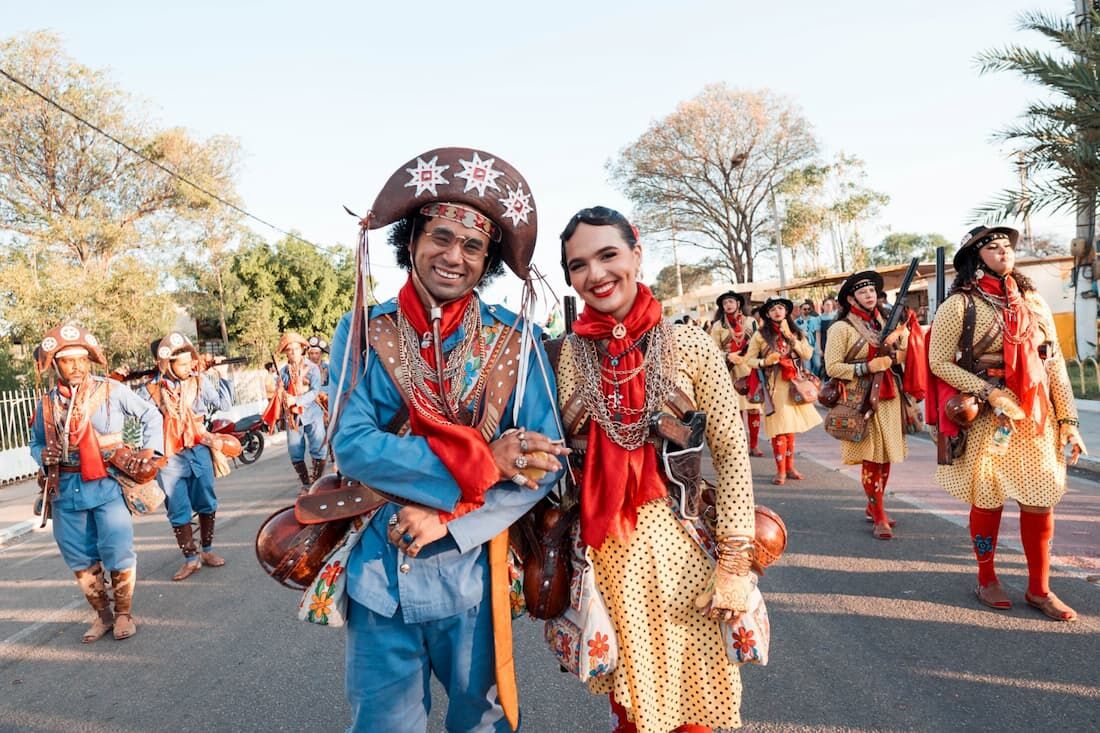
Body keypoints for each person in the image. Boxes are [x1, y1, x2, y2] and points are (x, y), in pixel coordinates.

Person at [327, 147, 566, 732]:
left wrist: (449, 520)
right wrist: (484, 459)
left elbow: (544, 461)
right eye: (440, 236)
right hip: (379, 575)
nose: (453, 256)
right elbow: (351, 444)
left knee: (482, 725)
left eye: (473, 246)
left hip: (475, 576)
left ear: (486, 262)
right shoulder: (364, 330)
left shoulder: (517, 341)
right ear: (411, 240)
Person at [557, 206, 756, 733]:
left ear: (637, 255)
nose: (596, 274)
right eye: (579, 265)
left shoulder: (689, 343)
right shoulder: (567, 356)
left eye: (608, 255)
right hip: (605, 562)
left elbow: (732, 452)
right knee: (631, 709)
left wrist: (735, 563)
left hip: (685, 553)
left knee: (700, 702)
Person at [927, 225, 1085, 621]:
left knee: (1042, 499)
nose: (1004, 253)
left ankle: (1039, 588)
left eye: (1007, 247)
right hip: (988, 418)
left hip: (1036, 416)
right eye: (994, 248)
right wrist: (989, 393)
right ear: (975, 258)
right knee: (988, 500)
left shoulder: (1033, 301)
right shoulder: (959, 305)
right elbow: (938, 362)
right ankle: (987, 577)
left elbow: (1053, 362)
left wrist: (1068, 419)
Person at [29, 324, 163, 641]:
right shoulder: (46, 404)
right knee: (78, 557)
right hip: (65, 491)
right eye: (67, 360)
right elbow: (33, 443)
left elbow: (151, 416)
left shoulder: (110, 391)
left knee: (117, 550)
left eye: (81, 359)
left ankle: (123, 615)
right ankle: (102, 617)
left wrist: (149, 449)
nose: (76, 366)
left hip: (107, 485)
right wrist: (41, 454)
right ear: (55, 365)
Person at [824, 271, 925, 539]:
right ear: (851, 298)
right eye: (862, 292)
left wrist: (905, 342)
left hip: (890, 396)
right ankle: (878, 512)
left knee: (886, 455)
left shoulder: (886, 323)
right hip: (860, 399)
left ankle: (875, 505)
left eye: (872, 291)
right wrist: (865, 367)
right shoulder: (841, 328)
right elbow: (832, 367)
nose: (869, 296)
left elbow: (901, 355)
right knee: (871, 458)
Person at [139, 332, 233, 581]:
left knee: (207, 501)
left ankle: (208, 551)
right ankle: (191, 558)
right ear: (166, 364)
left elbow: (225, 404)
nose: (188, 367)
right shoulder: (149, 390)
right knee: (177, 508)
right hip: (168, 457)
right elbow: (132, 417)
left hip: (198, 448)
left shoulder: (200, 382)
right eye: (181, 363)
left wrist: (221, 376)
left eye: (189, 361)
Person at [744, 296, 822, 484]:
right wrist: (765, 362)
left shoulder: (796, 331)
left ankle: (790, 467)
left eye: (780, 308)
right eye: (772, 309)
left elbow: (808, 354)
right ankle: (780, 470)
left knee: (790, 429)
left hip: (796, 383)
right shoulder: (760, 335)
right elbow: (749, 360)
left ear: (786, 311)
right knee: (780, 429)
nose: (777, 311)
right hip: (774, 385)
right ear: (768, 314)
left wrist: (791, 338)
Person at [709, 290, 764, 456]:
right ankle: (740, 445)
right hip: (729, 371)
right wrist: (727, 356)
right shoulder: (718, 326)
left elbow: (760, 343)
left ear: (738, 303)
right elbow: (712, 349)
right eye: (725, 303)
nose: (728, 305)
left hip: (749, 369)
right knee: (736, 411)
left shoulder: (751, 322)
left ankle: (754, 445)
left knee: (753, 408)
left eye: (731, 302)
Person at [273, 332, 328, 492]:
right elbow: (280, 393)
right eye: (289, 350)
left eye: (296, 349)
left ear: (302, 349)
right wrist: (281, 392)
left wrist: (296, 400)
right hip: (293, 417)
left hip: (312, 413)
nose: (293, 353)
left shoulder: (312, 369)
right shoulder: (283, 372)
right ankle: (305, 484)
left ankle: (316, 485)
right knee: (295, 450)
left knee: (318, 447)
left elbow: (314, 391)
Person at [795, 300, 822, 376]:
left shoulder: (815, 319)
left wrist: (819, 347)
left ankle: (815, 377)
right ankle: (810, 382)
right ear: (800, 310)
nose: (807, 311)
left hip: (814, 345)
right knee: (807, 368)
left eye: (808, 309)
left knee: (818, 365)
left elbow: (818, 332)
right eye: (804, 309)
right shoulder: (796, 322)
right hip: (804, 347)